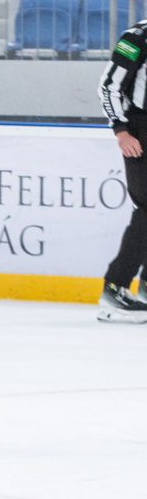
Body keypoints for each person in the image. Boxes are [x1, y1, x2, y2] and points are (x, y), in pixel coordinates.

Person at [96, 18, 147, 322]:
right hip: (141, 129)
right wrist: (121, 130)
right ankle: (114, 289)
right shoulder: (138, 36)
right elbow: (108, 86)